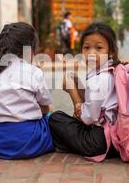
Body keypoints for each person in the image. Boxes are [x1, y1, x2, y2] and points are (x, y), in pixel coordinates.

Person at [0, 22, 54, 160]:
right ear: (30, 49)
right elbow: (45, 107)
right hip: (28, 141)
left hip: (0, 144)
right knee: (52, 118)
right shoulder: (34, 72)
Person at [48, 22, 120, 158]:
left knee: (55, 119)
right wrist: (77, 84)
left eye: (99, 48)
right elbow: (94, 102)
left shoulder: (98, 80)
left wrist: (72, 92)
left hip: (99, 142)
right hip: (115, 137)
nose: (91, 53)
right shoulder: (113, 71)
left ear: (111, 51)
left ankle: (66, 144)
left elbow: (88, 118)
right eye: (87, 48)